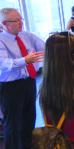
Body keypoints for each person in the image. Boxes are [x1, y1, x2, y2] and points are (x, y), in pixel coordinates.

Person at [0, 8, 45, 149]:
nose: (21, 23)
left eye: (21, 19)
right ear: (5, 24)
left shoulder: (26, 36)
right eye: (17, 20)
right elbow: (4, 64)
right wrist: (26, 60)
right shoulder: (1, 41)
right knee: (12, 125)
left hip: (29, 82)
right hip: (11, 87)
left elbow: (45, 46)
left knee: (29, 121)